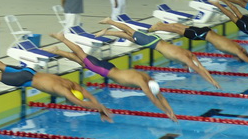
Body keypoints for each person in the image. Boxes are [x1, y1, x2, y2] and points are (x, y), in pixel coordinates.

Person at [47, 33, 177, 121]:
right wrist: (166, 112)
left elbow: (160, 96)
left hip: (110, 67)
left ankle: (56, 50)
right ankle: (62, 38)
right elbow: (154, 100)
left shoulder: (147, 78)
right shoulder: (142, 82)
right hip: (104, 70)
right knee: (80, 54)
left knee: (81, 61)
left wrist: (170, 110)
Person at [0, 51, 113, 122]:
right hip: (24, 79)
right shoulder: (64, 91)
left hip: (30, 71)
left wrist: (100, 107)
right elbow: (82, 102)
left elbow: (87, 94)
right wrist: (100, 109)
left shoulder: (71, 84)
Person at [96, 18, 221, 89]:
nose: (185, 68)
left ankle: (106, 32)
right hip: (153, 43)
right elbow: (199, 70)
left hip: (156, 41)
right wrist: (212, 82)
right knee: (130, 31)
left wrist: (213, 80)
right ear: (188, 65)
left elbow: (201, 67)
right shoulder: (185, 59)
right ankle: (110, 21)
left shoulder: (190, 55)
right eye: (187, 68)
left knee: (130, 37)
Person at [148, 22, 248, 79]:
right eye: (238, 58)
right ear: (240, 56)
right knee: (178, 30)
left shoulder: (237, 47)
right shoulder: (238, 52)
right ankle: (158, 27)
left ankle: (162, 25)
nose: (235, 58)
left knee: (180, 27)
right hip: (204, 35)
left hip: (207, 32)